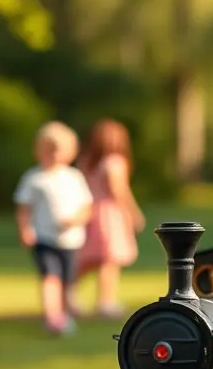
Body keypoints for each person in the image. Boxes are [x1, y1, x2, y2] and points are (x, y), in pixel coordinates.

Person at [16, 121, 94, 335]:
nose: (52, 155)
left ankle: (65, 313)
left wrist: (75, 220)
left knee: (67, 279)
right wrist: (25, 229)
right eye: (47, 150)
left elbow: (86, 206)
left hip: (70, 239)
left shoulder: (73, 177)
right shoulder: (34, 178)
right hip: (44, 237)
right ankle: (52, 316)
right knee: (50, 277)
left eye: (57, 150)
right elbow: (24, 208)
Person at [77, 119, 144, 320]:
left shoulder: (87, 161)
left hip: (90, 211)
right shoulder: (115, 162)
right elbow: (119, 191)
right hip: (110, 213)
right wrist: (133, 213)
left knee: (90, 258)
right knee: (109, 259)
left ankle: (67, 291)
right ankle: (105, 301)